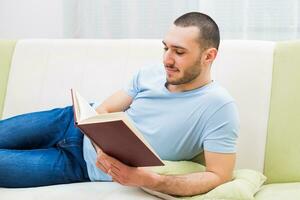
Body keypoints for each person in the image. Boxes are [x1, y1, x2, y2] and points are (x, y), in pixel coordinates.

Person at [0, 12, 239, 196]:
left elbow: (219, 175)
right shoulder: (151, 74)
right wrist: (101, 147)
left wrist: (151, 180)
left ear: (209, 56)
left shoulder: (219, 106)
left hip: (79, 166)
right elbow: (103, 110)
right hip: (68, 122)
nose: (167, 59)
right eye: (165, 48)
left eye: (179, 52)